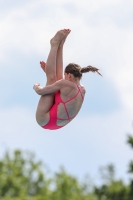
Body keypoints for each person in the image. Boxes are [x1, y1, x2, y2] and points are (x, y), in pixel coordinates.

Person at [33, 29, 102, 130]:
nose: (63, 77)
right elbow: (61, 84)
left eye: (65, 75)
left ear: (69, 75)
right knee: (55, 80)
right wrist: (50, 74)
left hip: (44, 119)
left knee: (52, 79)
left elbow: (40, 91)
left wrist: (36, 85)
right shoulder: (82, 89)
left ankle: (55, 44)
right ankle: (60, 45)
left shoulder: (66, 84)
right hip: (56, 124)